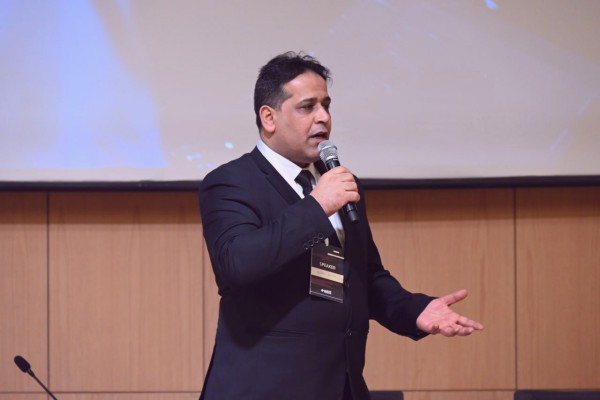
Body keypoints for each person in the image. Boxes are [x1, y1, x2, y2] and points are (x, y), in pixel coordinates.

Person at [198, 51, 483, 400]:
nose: (323, 117)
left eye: (326, 105)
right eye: (307, 107)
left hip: (341, 386)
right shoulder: (232, 182)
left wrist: (416, 310)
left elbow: (364, 276)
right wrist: (317, 206)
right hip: (262, 388)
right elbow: (237, 264)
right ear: (269, 117)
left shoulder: (339, 183)